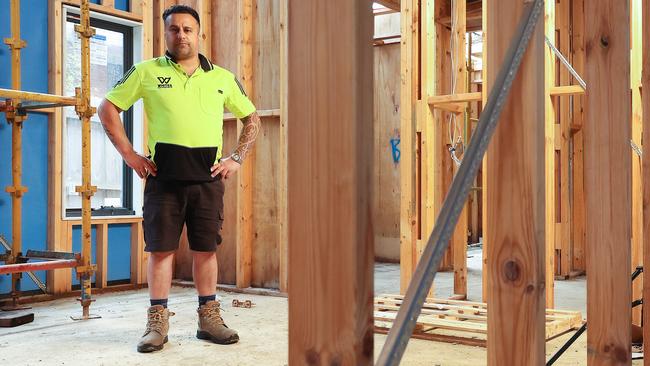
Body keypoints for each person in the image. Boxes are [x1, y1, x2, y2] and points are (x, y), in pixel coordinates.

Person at [97, 4, 260, 353]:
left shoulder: (222, 77)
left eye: (188, 29)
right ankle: (157, 324)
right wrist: (130, 155)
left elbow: (252, 119)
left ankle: (209, 320)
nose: (181, 35)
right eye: (174, 29)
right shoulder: (145, 72)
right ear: (165, 33)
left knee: (206, 250)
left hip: (207, 179)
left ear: (198, 33)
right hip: (164, 179)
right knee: (160, 251)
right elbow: (107, 108)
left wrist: (236, 158)